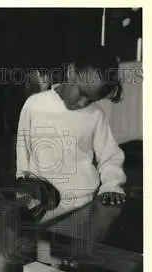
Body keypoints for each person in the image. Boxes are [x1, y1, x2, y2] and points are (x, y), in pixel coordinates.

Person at [16, 44, 127, 220]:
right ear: (71, 72)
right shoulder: (34, 105)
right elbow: (23, 151)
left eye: (91, 100)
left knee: (76, 246)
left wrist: (111, 186)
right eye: (81, 93)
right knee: (43, 245)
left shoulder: (96, 115)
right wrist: (23, 186)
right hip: (41, 203)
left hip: (82, 206)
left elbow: (110, 156)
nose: (82, 103)